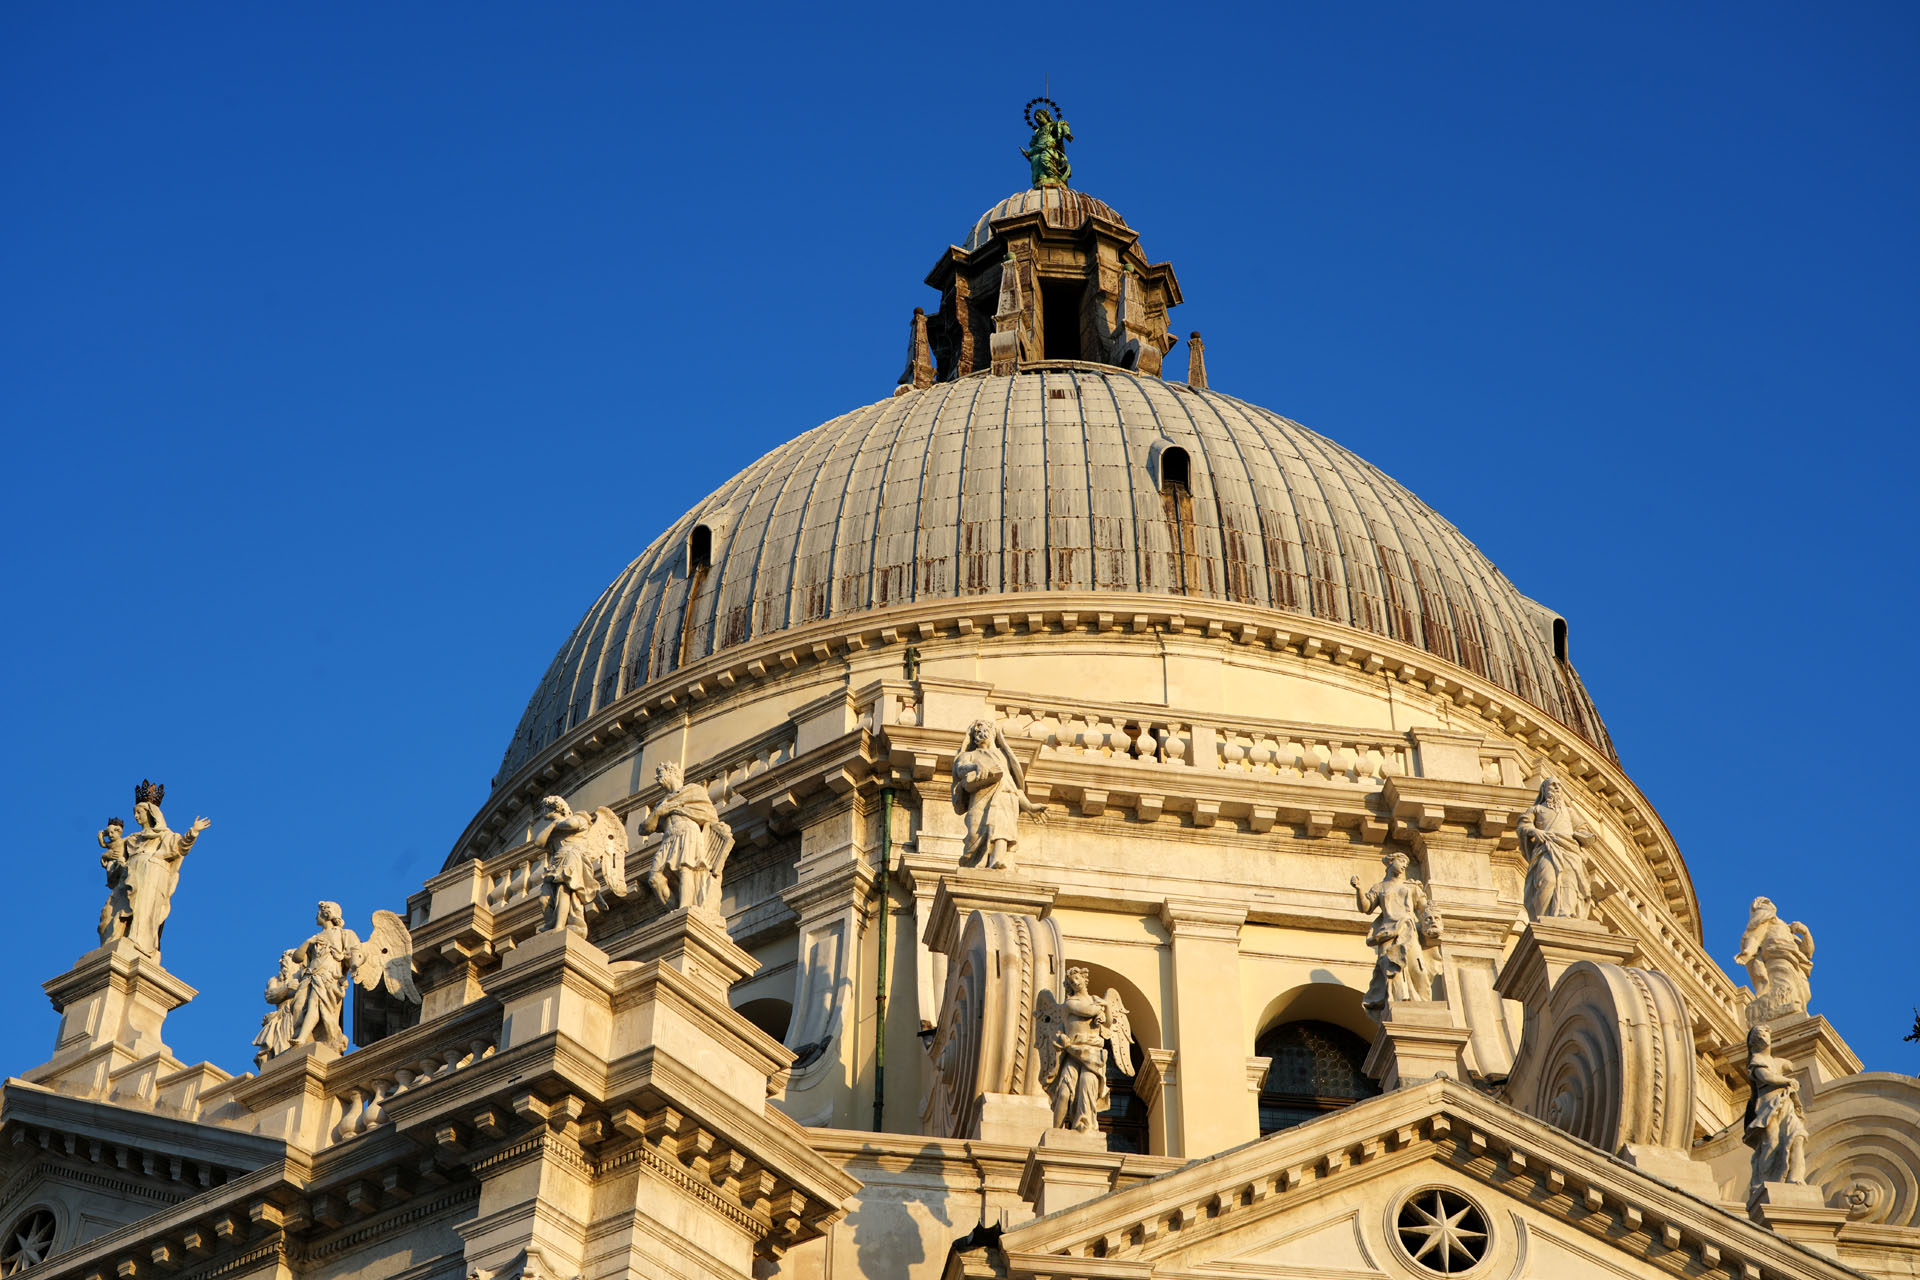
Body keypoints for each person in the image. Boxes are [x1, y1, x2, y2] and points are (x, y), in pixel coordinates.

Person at [1352, 851, 1443, 1013]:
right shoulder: (1379, 887)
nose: (1403, 866)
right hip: (1387, 933)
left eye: (1405, 864)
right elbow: (1365, 908)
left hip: (1409, 930)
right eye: (1401, 861)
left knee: (1418, 968)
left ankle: (1422, 1005)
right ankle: (1402, 1000)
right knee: (1393, 970)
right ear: (1390, 862)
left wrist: (1433, 923)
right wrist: (1359, 889)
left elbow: (1424, 909)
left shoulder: (1411, 886)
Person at [121, 791, 210, 954]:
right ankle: (125, 936)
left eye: (139, 812)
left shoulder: (164, 835)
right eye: (134, 813)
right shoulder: (132, 839)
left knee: (146, 909)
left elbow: (180, 847)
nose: (135, 816)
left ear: (151, 813)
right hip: (132, 878)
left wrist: (193, 832)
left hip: (153, 877)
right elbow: (118, 863)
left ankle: (140, 942)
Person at [952, 720, 1043, 871]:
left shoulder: (1002, 756)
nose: (980, 734)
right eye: (977, 732)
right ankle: (975, 862)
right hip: (980, 800)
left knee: (1002, 832)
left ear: (994, 734)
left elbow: (1014, 787)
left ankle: (997, 861)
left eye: (984, 731)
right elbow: (960, 769)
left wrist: (1030, 806)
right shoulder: (970, 755)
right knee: (974, 835)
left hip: (1005, 798)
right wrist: (975, 766)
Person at [1744, 1023, 1809, 1194]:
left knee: (1797, 1136)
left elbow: (1787, 1065)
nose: (1762, 1036)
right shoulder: (1756, 1061)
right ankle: (1763, 1182)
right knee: (1771, 1143)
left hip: (1785, 1104)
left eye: (1765, 1033)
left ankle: (1795, 1177)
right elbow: (1766, 1077)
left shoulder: (1775, 1062)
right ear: (1752, 1043)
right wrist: (1786, 1081)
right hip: (1768, 1109)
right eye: (1758, 1034)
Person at [1518, 777, 1594, 921]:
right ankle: (1542, 916)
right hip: (1547, 847)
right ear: (1544, 790)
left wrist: (1585, 836)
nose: (1556, 787)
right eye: (1552, 785)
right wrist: (1534, 831)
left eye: (1559, 785)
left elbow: (1582, 828)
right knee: (1547, 880)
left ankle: (1565, 912)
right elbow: (1523, 825)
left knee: (1569, 880)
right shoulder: (1536, 809)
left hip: (1569, 849)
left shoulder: (1569, 812)